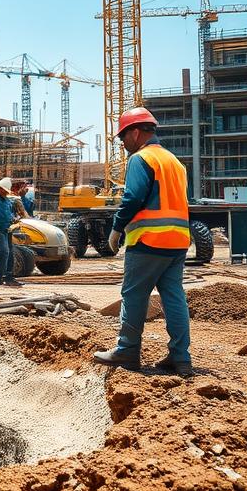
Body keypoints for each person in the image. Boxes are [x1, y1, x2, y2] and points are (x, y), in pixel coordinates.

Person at [94, 107, 193, 376]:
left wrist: (117, 229)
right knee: (174, 297)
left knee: (134, 295)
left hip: (149, 240)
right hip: (178, 241)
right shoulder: (175, 162)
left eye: (123, 137)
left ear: (135, 133)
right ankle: (180, 357)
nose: (123, 144)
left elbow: (133, 197)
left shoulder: (141, 159)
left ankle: (127, 351)